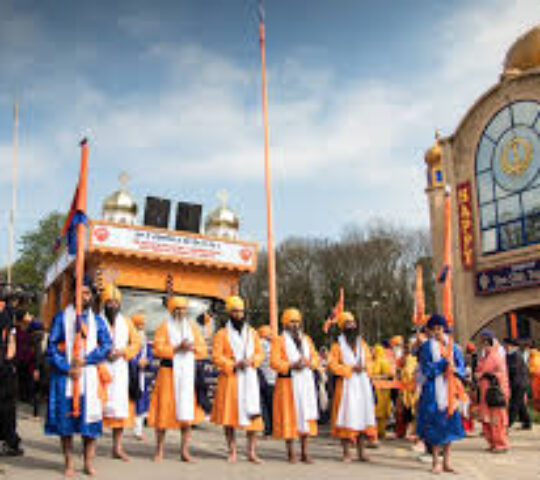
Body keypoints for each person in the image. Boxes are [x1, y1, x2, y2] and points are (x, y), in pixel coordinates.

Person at [45, 275, 113, 477]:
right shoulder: (61, 318)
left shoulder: (98, 321)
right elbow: (51, 348)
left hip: (90, 377)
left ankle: (88, 462)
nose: (83, 296)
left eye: (87, 293)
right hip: (66, 377)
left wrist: (87, 360)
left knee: (90, 424)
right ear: (73, 294)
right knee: (65, 424)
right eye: (79, 292)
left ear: (91, 296)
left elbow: (107, 345)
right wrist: (67, 366)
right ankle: (69, 463)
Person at [148, 296, 207, 462]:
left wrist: (192, 348)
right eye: (178, 309)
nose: (181, 312)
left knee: (187, 413)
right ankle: (159, 450)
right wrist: (176, 348)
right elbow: (158, 350)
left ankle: (185, 451)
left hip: (187, 374)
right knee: (163, 412)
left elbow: (203, 350)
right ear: (172, 311)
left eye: (183, 309)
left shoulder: (193, 329)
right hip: (167, 373)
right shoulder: (163, 328)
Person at [211, 295, 264, 463]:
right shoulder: (221, 334)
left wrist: (252, 361)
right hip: (231, 379)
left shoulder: (252, 333)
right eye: (235, 312)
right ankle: (232, 450)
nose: (239, 315)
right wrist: (233, 364)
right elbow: (216, 357)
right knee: (230, 417)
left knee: (253, 419)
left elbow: (260, 353)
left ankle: (252, 452)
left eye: (241, 312)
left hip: (249, 377)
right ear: (229, 313)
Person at [416, 314, 465, 474]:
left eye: (440, 328)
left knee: (450, 426)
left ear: (444, 328)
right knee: (434, 426)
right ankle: (436, 461)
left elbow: (461, 368)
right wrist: (443, 364)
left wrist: (454, 370)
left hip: (451, 390)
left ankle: (447, 462)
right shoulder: (426, 347)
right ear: (429, 330)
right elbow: (427, 370)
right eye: (434, 329)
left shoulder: (454, 347)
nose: (437, 332)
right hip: (432, 391)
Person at [271, 308, 320, 463]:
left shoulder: (307, 340)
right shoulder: (279, 340)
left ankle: (305, 452)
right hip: (288, 384)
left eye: (297, 321)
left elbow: (316, 359)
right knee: (289, 417)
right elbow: (274, 362)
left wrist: (309, 363)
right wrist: (291, 365)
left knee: (305, 417)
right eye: (292, 321)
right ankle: (291, 452)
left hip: (305, 383)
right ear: (285, 323)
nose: (295, 325)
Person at [327, 311, 376, 462]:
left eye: (353, 322)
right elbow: (332, 364)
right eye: (348, 323)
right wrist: (349, 369)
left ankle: (362, 452)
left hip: (362, 385)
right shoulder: (337, 346)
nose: (352, 325)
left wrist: (365, 366)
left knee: (362, 415)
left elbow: (370, 360)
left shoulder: (362, 344)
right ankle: (346, 453)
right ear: (342, 327)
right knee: (346, 417)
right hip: (346, 386)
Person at [101, 284, 141, 461]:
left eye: (115, 302)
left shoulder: (127, 322)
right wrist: (103, 352)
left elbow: (136, 343)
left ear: (120, 304)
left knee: (119, 410)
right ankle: (90, 446)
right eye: (109, 302)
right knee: (97, 408)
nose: (112, 305)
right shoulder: (96, 320)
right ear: (104, 303)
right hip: (100, 368)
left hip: (120, 369)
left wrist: (123, 352)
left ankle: (117, 448)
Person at [476, 331, 510, 453]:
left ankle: (500, 443)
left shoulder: (496, 356)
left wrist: (485, 374)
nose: (484, 345)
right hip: (486, 392)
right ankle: (492, 442)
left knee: (497, 420)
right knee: (488, 420)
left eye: (486, 342)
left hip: (494, 393)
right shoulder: (485, 356)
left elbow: (501, 374)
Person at [0, 292, 23, 456]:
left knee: (7, 406)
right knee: (7, 406)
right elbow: (11, 341)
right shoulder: (7, 312)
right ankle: (9, 441)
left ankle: (9, 440)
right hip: (4, 366)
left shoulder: (7, 312)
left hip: (4, 366)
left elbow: (11, 339)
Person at [129, 312, 154, 440]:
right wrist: (135, 362)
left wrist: (147, 361)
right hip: (130, 374)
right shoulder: (129, 338)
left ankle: (138, 430)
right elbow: (128, 353)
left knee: (141, 401)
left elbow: (149, 354)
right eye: (139, 324)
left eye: (143, 324)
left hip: (141, 375)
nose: (142, 326)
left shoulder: (145, 340)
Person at [504, 338, 531, 430]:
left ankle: (508, 423)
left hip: (519, 382)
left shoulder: (516, 355)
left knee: (514, 403)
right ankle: (527, 422)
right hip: (517, 382)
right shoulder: (510, 355)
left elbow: (513, 369)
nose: (505, 347)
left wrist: (506, 369)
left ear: (512, 346)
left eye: (507, 345)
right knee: (520, 403)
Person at [258, 325, 276, 439]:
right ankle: (273, 429)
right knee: (272, 406)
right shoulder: (271, 346)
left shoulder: (257, 345)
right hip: (272, 380)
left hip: (260, 379)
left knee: (263, 406)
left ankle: (267, 430)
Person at [372, 344, 394, 439]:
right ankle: (374, 432)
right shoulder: (372, 361)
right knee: (374, 411)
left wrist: (376, 377)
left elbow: (388, 375)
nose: (373, 352)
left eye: (375, 350)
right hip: (374, 389)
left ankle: (381, 431)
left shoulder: (384, 361)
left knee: (381, 411)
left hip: (382, 390)